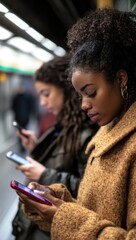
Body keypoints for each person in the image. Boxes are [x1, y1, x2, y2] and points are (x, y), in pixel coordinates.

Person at [17, 8, 136, 240]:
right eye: (80, 96)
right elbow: (96, 211)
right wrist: (57, 204)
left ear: (121, 79)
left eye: (90, 92)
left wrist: (65, 217)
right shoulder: (110, 129)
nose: (84, 105)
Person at [12, 55, 98, 240]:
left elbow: (89, 190)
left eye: (46, 94)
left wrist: (43, 175)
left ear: (67, 91)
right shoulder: (63, 125)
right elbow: (60, 159)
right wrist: (37, 146)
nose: (42, 102)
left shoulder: (88, 133)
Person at [11, 84, 32, 153]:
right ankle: (21, 147)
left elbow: (30, 106)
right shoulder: (16, 97)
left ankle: (24, 146)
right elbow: (13, 107)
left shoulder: (26, 97)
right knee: (19, 134)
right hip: (18, 119)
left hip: (25, 119)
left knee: (25, 133)